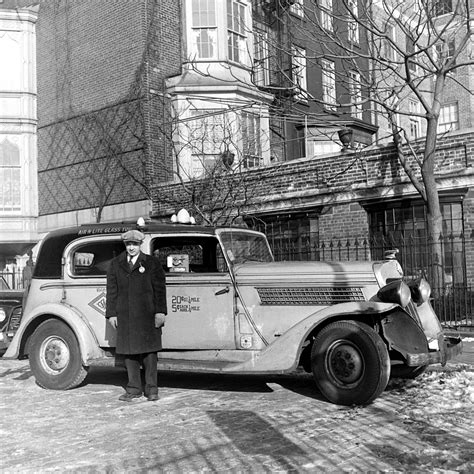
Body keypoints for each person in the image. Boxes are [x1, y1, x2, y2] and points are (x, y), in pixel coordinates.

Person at [105, 229, 167, 402]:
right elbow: (112, 291)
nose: (131, 248)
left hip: (148, 315)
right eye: (128, 244)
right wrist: (111, 314)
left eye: (135, 244)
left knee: (149, 355)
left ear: (140, 245)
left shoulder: (152, 263)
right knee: (129, 354)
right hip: (125, 316)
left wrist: (160, 311)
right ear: (125, 245)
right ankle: (133, 389)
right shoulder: (116, 264)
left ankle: (152, 389)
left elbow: (160, 289)